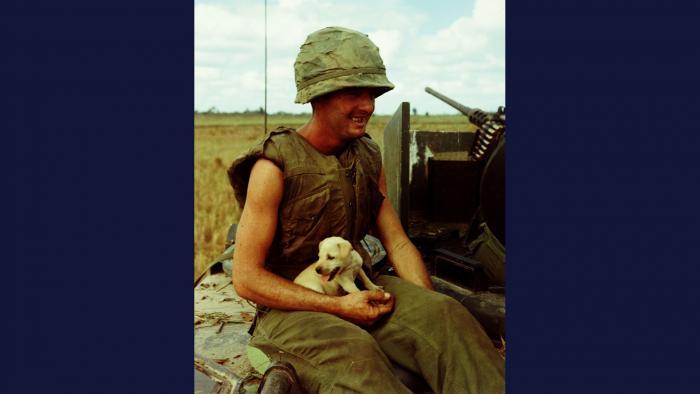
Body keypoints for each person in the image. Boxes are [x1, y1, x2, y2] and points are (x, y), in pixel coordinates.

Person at [228, 26, 505, 393]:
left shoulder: (368, 156)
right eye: (354, 92)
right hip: (289, 310)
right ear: (318, 96)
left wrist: (426, 302)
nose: (368, 106)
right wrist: (341, 308)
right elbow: (246, 278)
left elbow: (398, 242)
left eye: (372, 93)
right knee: (356, 355)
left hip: (356, 287)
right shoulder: (273, 166)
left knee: (446, 316)